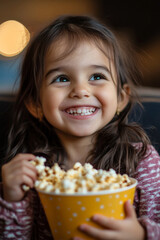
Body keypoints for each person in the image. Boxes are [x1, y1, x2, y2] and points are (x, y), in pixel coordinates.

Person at [0, 15, 160, 240]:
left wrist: (142, 234)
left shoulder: (142, 162)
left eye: (97, 76)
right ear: (35, 103)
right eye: (62, 78)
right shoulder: (29, 173)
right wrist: (12, 198)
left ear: (122, 98)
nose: (80, 90)